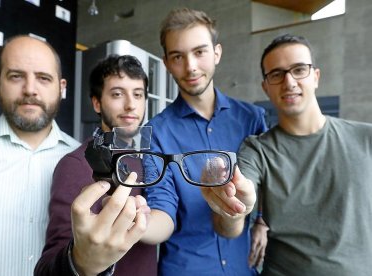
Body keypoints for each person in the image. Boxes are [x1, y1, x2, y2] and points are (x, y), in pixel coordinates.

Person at [141, 8, 267, 275]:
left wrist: (263, 223)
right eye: (178, 56)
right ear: (166, 63)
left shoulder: (253, 119)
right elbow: (162, 206)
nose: (190, 67)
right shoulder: (155, 133)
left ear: (216, 53)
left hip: (244, 268)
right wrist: (136, 223)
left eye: (199, 52)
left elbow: (269, 184)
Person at [237, 33, 372, 275]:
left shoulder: (366, 138)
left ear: (316, 77)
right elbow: (237, 204)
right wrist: (237, 205)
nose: (289, 82)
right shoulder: (257, 149)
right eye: (277, 74)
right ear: (265, 87)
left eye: (299, 69)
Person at [0, 35, 79, 276]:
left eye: (43, 78)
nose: (30, 90)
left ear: (61, 88)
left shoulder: (81, 162)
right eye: (16, 76)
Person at [34, 55, 157, 276]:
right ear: (97, 103)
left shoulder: (148, 158)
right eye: (117, 94)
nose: (131, 104)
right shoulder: (77, 164)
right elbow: (48, 267)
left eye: (138, 94)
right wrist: (82, 262)